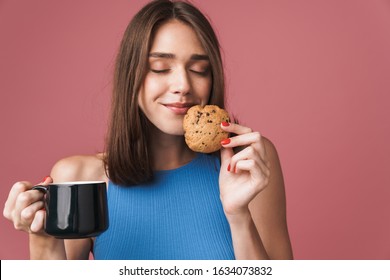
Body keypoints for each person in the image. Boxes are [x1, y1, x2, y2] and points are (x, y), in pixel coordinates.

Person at [3, 0, 293, 260]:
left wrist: (238, 216)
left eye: (199, 69)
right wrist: (40, 236)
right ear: (132, 77)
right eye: (160, 67)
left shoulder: (248, 163)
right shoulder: (81, 178)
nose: (183, 85)